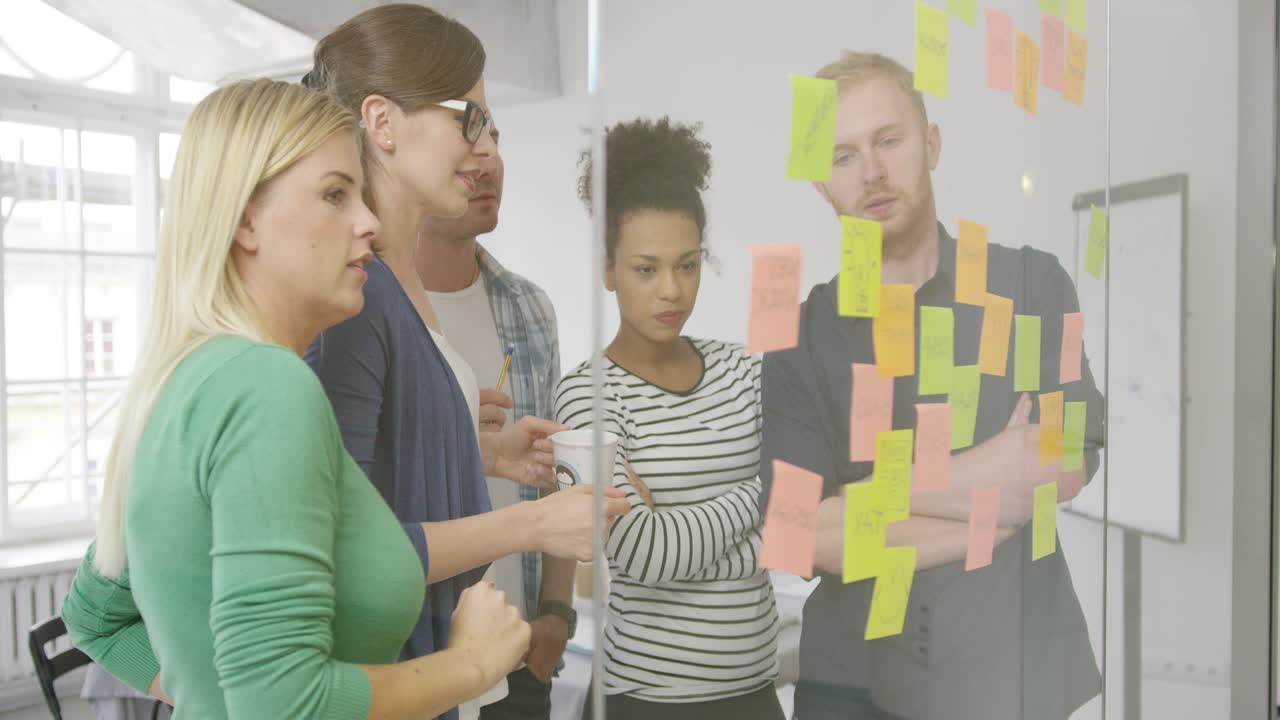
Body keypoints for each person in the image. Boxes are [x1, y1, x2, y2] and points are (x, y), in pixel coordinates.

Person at [60, 78, 531, 719]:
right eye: (335, 195)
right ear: (246, 219)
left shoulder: (194, 381)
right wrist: (469, 664)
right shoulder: (268, 390)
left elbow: (95, 615)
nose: (367, 223)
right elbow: (288, 703)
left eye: (362, 196)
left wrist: (209, 697)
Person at [299, 7, 631, 717]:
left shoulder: (393, 284)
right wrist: (536, 525)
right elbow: (352, 547)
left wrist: (482, 452)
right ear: (382, 124)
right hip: (391, 675)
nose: (483, 148)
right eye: (467, 118)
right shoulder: (358, 299)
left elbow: (377, 475)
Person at [758, 51, 1106, 720]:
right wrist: (990, 495)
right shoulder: (797, 336)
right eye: (842, 156)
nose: (872, 172)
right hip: (851, 686)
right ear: (820, 185)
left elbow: (1063, 462)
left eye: (888, 140)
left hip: (1011, 677)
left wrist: (862, 504)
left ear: (932, 143)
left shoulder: (1032, 286)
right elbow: (802, 537)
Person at [557, 117, 783, 720]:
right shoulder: (587, 397)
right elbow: (648, 557)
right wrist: (764, 492)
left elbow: (804, 518)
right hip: (647, 702)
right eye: (646, 268)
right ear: (609, 271)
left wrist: (687, 530)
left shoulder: (742, 370)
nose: (672, 291)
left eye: (687, 264)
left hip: (758, 695)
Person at [417, 119, 575, 718]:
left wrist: (556, 613)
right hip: (417, 655)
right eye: (464, 138)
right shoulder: (364, 307)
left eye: (496, 138)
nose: (487, 159)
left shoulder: (527, 307)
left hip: (517, 657)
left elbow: (554, 464)